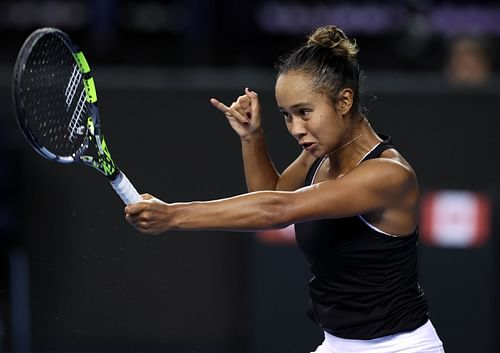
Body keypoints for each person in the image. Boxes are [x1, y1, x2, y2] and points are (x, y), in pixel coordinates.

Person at [125, 25, 444, 352]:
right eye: (286, 116)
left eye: (304, 112)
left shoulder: (388, 175)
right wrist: (252, 137)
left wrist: (174, 215)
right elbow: (274, 194)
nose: (295, 128)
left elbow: (278, 210)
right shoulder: (317, 155)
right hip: (337, 345)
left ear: (344, 100)